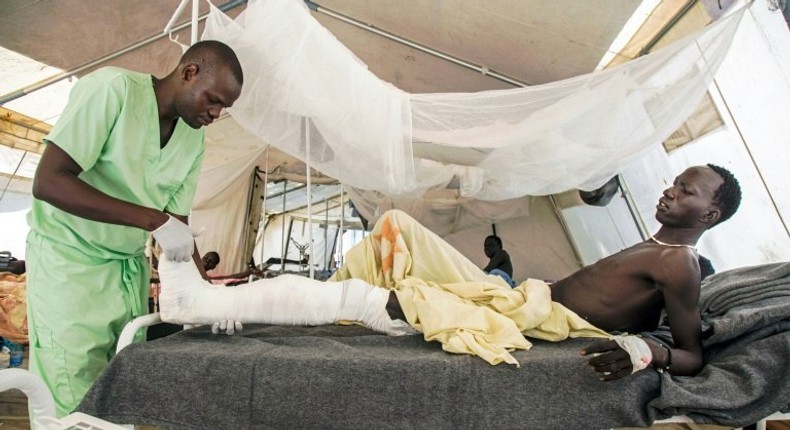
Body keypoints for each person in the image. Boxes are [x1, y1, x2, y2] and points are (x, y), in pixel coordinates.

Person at [157, 164, 741, 381]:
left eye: (685, 190)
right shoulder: (652, 244)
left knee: (385, 298)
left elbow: (691, 354)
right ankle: (286, 310)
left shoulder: (679, 261)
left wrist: (648, 354)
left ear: (709, 213)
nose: (668, 190)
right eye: (672, 181)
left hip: (535, 317)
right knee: (392, 229)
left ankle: (225, 307)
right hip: (518, 296)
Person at [25, 40, 243, 416]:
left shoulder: (192, 138)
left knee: (121, 389)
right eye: (213, 99)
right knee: (71, 391)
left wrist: (208, 297)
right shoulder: (113, 91)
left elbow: (179, 226)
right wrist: (152, 219)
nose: (216, 113)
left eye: (224, 107)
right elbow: (49, 182)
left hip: (126, 274)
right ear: (188, 73)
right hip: (70, 269)